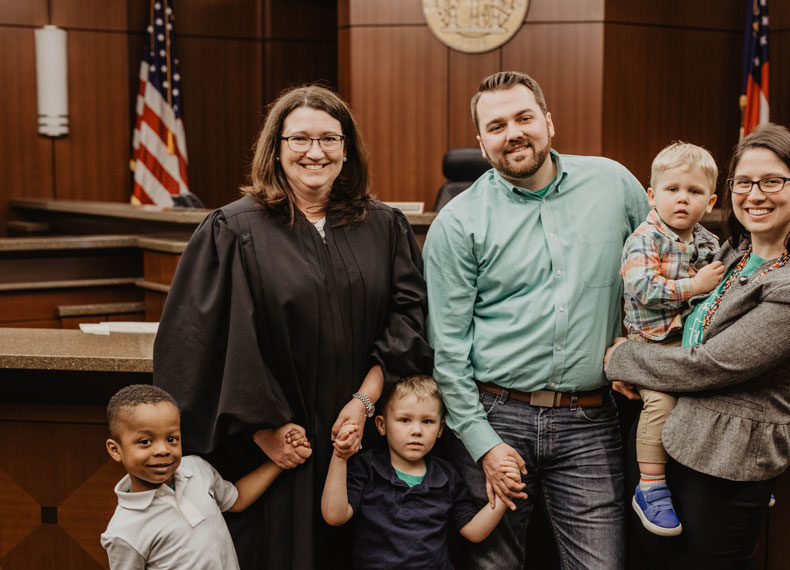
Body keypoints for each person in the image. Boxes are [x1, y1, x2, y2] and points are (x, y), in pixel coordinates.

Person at [153, 84, 434, 570]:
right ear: (276, 148)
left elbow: (408, 321)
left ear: (347, 149)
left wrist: (365, 402)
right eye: (299, 139)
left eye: (329, 139)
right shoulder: (233, 230)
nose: (314, 152)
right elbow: (198, 346)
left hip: (362, 439)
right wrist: (264, 432)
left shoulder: (384, 226)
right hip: (278, 450)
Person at [424, 71, 650, 569]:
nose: (514, 133)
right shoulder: (458, 223)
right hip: (495, 415)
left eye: (524, 117)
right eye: (497, 125)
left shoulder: (614, 184)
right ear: (482, 144)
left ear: (548, 121)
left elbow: (662, 267)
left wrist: (639, 348)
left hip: (589, 419)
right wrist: (484, 446)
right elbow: (449, 350)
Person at [604, 123, 790, 569]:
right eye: (745, 182)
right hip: (674, 445)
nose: (756, 194)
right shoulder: (731, 253)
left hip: (724, 464)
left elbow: (710, 365)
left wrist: (624, 359)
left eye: (772, 181)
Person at [621, 142, 723, 537]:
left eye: (694, 192)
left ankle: (731, 476)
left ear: (710, 201)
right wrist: (694, 285)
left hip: (692, 340)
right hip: (651, 344)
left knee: (720, 393)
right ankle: (651, 488)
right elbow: (643, 287)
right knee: (661, 404)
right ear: (652, 195)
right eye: (672, 189)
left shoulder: (709, 242)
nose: (683, 199)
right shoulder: (644, 238)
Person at [321, 375, 519, 569]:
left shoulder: (446, 476)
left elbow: (474, 531)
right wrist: (340, 457)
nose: (417, 430)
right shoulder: (368, 467)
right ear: (381, 425)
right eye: (405, 420)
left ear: (441, 428)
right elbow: (335, 516)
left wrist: (504, 495)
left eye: (427, 422)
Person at [101, 384, 307, 569]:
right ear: (115, 450)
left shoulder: (197, 469)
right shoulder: (123, 532)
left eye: (172, 438)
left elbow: (237, 499)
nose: (163, 450)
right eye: (146, 442)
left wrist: (281, 459)